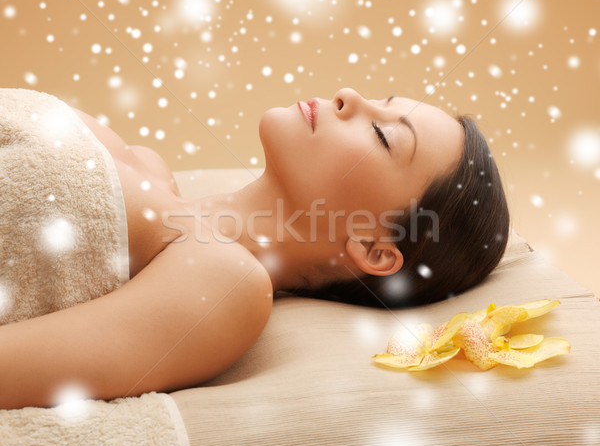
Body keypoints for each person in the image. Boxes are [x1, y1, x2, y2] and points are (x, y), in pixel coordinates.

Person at [0, 88, 509, 410]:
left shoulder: (226, 285)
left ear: (374, 249)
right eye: (381, 96)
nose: (348, 95)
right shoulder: (146, 165)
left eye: (382, 134)